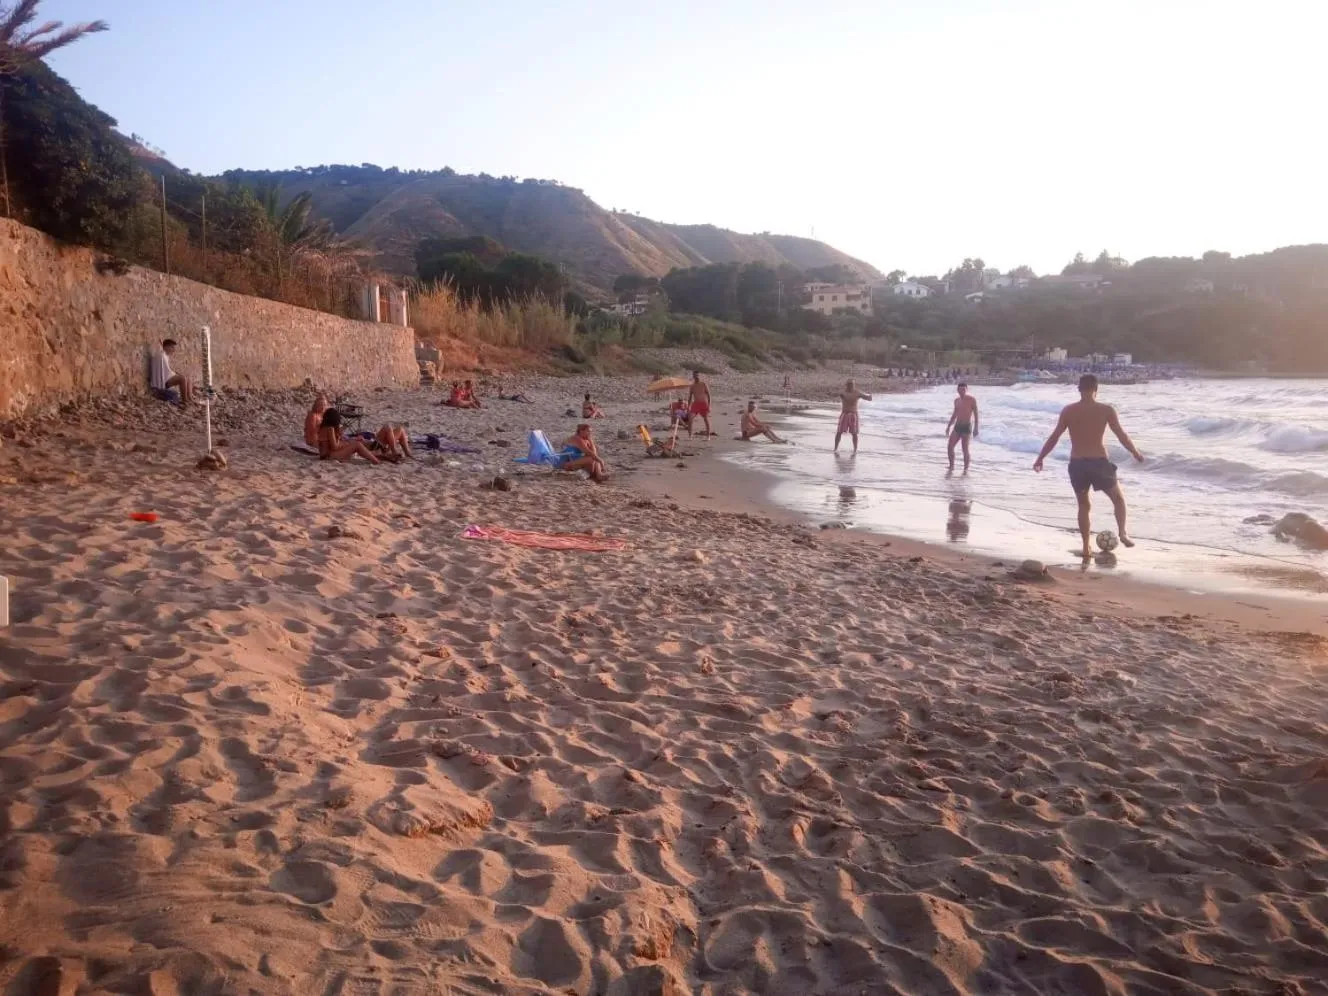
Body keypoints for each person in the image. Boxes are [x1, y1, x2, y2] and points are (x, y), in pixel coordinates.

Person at [1033, 374, 1144, 559]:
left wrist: (1040, 458)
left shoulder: (1069, 411)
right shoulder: (1106, 410)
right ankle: (1123, 533)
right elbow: (1121, 435)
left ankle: (1086, 547)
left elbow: (1054, 437)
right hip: (1099, 462)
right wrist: (1135, 452)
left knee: (1083, 505)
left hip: (1077, 464)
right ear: (1096, 389)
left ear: (1079, 389)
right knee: (1118, 499)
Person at [945, 382, 980, 472]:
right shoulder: (956, 401)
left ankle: (965, 469)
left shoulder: (971, 399)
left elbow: (976, 414)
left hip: (966, 426)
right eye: (960, 389)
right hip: (957, 426)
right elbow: (954, 414)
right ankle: (951, 466)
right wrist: (949, 426)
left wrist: (976, 428)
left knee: (965, 448)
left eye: (964, 389)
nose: (962, 391)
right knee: (950, 446)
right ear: (957, 390)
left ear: (966, 390)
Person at [150, 338, 195, 405]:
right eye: (172, 347)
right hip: (162, 383)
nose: (174, 350)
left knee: (187, 378)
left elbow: (166, 370)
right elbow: (163, 373)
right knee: (182, 379)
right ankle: (185, 400)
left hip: (166, 379)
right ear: (166, 347)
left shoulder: (165, 356)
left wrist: (175, 373)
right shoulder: (161, 356)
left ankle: (190, 398)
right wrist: (175, 374)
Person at [834, 378, 873, 454]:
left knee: (854, 433)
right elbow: (835, 394)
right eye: (849, 384)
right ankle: (835, 448)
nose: (850, 385)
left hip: (853, 415)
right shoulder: (843, 392)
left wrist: (870, 397)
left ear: (854, 385)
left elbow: (868, 398)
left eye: (852, 384)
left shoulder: (857, 393)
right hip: (844, 414)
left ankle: (855, 450)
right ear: (846, 385)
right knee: (839, 432)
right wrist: (834, 394)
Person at [687, 371, 712, 437]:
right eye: (695, 375)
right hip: (695, 404)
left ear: (699, 376)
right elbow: (690, 397)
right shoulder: (692, 386)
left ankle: (708, 436)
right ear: (693, 376)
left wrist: (709, 405)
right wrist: (688, 406)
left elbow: (708, 395)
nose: (696, 377)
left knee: (705, 419)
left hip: (703, 403)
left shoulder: (703, 384)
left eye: (697, 375)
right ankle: (690, 436)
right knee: (690, 418)